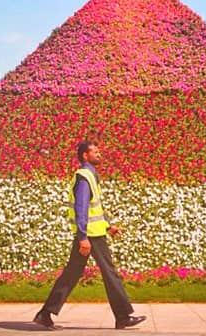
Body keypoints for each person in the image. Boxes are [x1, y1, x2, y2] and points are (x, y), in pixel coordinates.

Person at [33, 140, 146, 330]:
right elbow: (81, 209)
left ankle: (45, 314)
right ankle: (123, 316)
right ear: (85, 156)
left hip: (93, 233)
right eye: (94, 151)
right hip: (91, 236)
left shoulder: (90, 176)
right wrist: (83, 237)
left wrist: (109, 226)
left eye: (99, 150)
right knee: (110, 273)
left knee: (71, 274)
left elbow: (96, 208)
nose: (99, 154)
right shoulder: (84, 177)